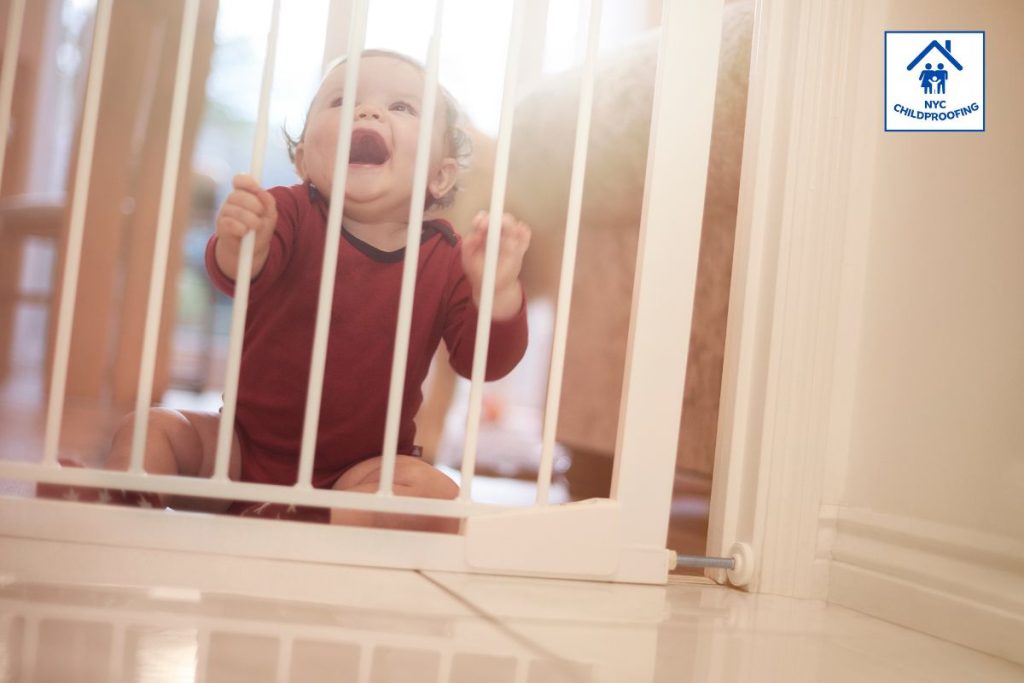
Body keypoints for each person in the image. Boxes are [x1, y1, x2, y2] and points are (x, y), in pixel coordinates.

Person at [43, 50, 532, 532]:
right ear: (303, 160)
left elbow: (483, 363)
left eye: (402, 107)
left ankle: (309, 515)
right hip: (239, 455)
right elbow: (237, 273)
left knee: (439, 499)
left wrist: (498, 292)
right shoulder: (290, 213)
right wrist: (242, 243)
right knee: (154, 427)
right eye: (342, 101)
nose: (368, 111)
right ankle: (124, 497)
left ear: (440, 174)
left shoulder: (446, 258)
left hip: (359, 473)